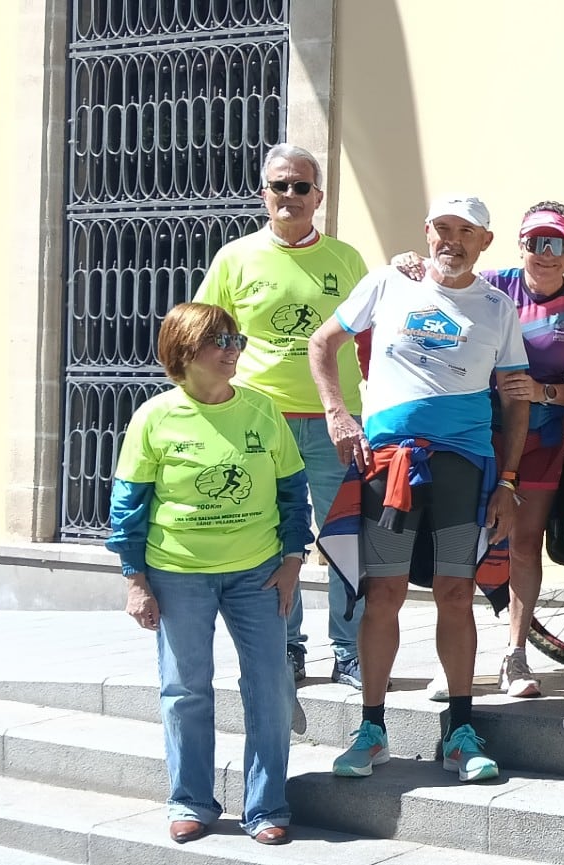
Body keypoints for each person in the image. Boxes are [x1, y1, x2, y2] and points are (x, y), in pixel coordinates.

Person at [309, 195, 528, 783]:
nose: (451, 240)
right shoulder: (387, 282)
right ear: (427, 232)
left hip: (465, 468)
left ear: (485, 241)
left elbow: (515, 397)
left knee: (458, 594)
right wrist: (337, 413)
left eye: (466, 231)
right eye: (442, 229)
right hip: (389, 466)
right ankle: (371, 729)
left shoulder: (497, 306)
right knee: (384, 595)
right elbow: (321, 344)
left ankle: (460, 732)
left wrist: (507, 481)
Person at [108, 302, 311, 846]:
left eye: (235, 339)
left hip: (259, 574)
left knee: (269, 686)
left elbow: (293, 493)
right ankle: (190, 800)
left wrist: (292, 561)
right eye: (219, 340)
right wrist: (135, 579)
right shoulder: (154, 417)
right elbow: (128, 505)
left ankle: (266, 806)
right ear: (184, 351)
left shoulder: (263, 411)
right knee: (185, 689)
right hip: (178, 574)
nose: (232, 350)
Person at [392, 203, 564, 698]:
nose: (544, 254)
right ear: (519, 245)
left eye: (556, 244)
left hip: (541, 441)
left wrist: (542, 393)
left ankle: (516, 656)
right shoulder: (491, 286)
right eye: (534, 242)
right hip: (472, 434)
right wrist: (406, 263)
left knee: (524, 545)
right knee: (461, 542)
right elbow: (437, 282)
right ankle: (455, 659)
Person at [194, 143, 367, 687]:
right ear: (263, 194)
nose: (288, 197)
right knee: (274, 536)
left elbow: (373, 339)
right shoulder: (235, 258)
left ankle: (350, 650)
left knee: (345, 536)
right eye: (278, 186)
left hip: (334, 422)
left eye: (300, 187)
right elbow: (204, 329)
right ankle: (287, 646)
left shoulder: (346, 259)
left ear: (318, 196)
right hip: (258, 422)